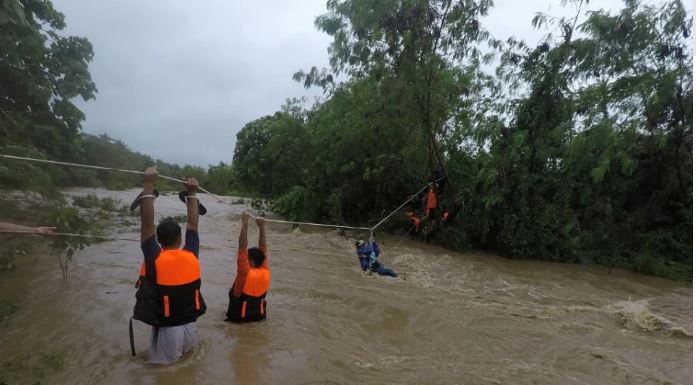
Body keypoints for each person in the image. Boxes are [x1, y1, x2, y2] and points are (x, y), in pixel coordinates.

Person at [132, 166, 206, 364]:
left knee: (163, 372)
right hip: (191, 326)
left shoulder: (154, 258)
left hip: (168, 329)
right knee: (186, 364)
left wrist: (148, 184)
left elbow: (146, 224)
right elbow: (193, 223)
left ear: (158, 239)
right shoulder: (192, 254)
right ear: (180, 238)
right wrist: (191, 193)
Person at [226, 212, 270, 323]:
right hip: (258, 317)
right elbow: (263, 249)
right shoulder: (265, 270)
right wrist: (262, 227)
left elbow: (242, 247)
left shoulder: (244, 272)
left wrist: (245, 223)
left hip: (239, 319)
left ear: (250, 261)